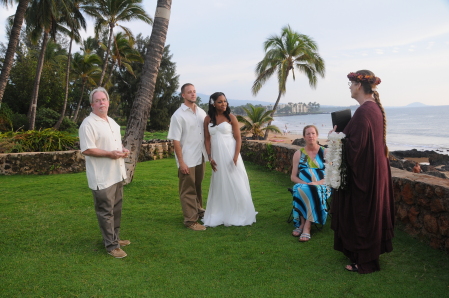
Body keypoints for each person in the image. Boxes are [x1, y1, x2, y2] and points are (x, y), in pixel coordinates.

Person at [330, 70, 394, 274]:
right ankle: (363, 257)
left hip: (365, 175)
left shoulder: (365, 111)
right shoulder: (372, 109)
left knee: (362, 214)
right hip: (372, 172)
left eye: (351, 83)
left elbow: (354, 146)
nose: (349, 87)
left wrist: (335, 137)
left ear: (359, 85)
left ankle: (365, 261)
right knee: (366, 214)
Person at [79, 87, 131, 258]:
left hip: (116, 173)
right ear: (92, 104)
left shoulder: (112, 122)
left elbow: (114, 145)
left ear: (108, 102)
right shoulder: (88, 124)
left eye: (104, 100)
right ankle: (111, 246)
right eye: (98, 100)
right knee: (105, 211)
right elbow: (87, 149)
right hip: (102, 177)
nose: (101, 103)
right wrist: (110, 154)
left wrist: (122, 150)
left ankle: (115, 239)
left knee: (116, 210)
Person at [202, 92, 257, 227]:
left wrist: (235, 156)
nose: (224, 104)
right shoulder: (208, 119)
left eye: (225, 101)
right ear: (213, 103)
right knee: (220, 183)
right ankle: (221, 212)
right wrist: (209, 157)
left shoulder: (231, 117)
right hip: (217, 156)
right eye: (220, 102)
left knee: (237, 182)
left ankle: (240, 212)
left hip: (231, 155)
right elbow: (207, 139)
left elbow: (238, 138)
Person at [167, 83, 208, 231]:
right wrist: (181, 162)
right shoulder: (178, 116)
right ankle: (190, 221)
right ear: (183, 95)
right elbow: (175, 141)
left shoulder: (201, 112)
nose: (193, 94)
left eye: (194, 91)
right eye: (189, 92)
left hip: (200, 156)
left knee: (197, 186)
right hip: (188, 159)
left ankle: (198, 210)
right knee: (187, 189)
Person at [290, 125, 331, 242]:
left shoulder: (325, 152)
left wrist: (317, 183)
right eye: (308, 134)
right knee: (303, 189)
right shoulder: (298, 154)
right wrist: (307, 184)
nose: (311, 136)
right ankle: (304, 224)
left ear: (317, 135)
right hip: (304, 185)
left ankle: (305, 226)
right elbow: (293, 177)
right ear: (304, 137)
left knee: (312, 190)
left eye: (313, 133)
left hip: (322, 186)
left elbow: (330, 176)